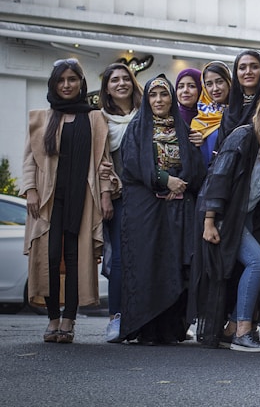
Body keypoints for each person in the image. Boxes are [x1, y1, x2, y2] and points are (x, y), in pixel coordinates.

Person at [21, 59, 114, 343]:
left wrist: (106, 193)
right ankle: (52, 317)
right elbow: (29, 161)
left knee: (76, 259)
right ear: (53, 84)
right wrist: (31, 190)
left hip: (83, 199)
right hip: (49, 200)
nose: (66, 85)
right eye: (61, 80)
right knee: (49, 257)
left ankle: (69, 319)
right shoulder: (40, 118)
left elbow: (104, 161)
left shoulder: (96, 118)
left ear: (81, 84)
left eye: (72, 79)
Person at [195, 89, 260, 352]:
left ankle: (231, 328)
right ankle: (242, 331)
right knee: (256, 261)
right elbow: (218, 177)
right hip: (225, 216)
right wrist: (209, 221)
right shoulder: (244, 136)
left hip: (246, 217)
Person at [119, 75, 206, 345]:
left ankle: (171, 328)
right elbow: (132, 163)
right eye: (153, 95)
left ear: (171, 99)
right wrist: (164, 180)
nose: (158, 100)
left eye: (164, 95)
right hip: (145, 210)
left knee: (174, 265)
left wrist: (179, 183)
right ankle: (146, 328)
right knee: (148, 264)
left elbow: (196, 167)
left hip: (177, 210)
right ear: (146, 99)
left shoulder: (183, 129)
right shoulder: (138, 128)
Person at [98, 62, 143, 342]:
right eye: (114, 80)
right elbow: (101, 161)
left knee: (146, 258)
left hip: (148, 196)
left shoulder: (146, 113)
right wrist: (105, 195)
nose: (121, 84)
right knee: (119, 259)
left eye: (126, 78)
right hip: (119, 196)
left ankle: (144, 318)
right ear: (106, 88)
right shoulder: (100, 120)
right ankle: (116, 317)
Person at [215, 50, 260, 151]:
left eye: (254, 67)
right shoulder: (230, 111)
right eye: (242, 68)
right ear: (236, 73)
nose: (248, 71)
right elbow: (219, 149)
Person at [191, 61, 232, 168]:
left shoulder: (239, 113)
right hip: (204, 180)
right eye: (209, 84)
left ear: (229, 82)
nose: (215, 88)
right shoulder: (200, 118)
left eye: (219, 82)